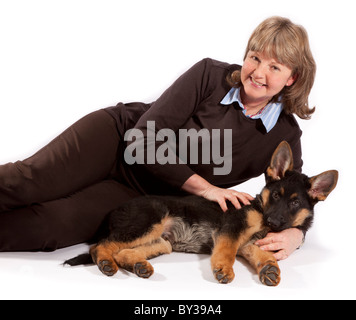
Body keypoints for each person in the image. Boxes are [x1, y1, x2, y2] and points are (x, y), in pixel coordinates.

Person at [0, 16, 315, 261]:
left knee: (50, 228)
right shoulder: (209, 75)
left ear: (292, 78)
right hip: (116, 142)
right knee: (26, 183)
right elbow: (141, 140)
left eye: (274, 66)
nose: (258, 72)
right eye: (255, 58)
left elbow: (297, 195)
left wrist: (296, 236)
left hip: (142, 197)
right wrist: (205, 188)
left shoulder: (285, 134)